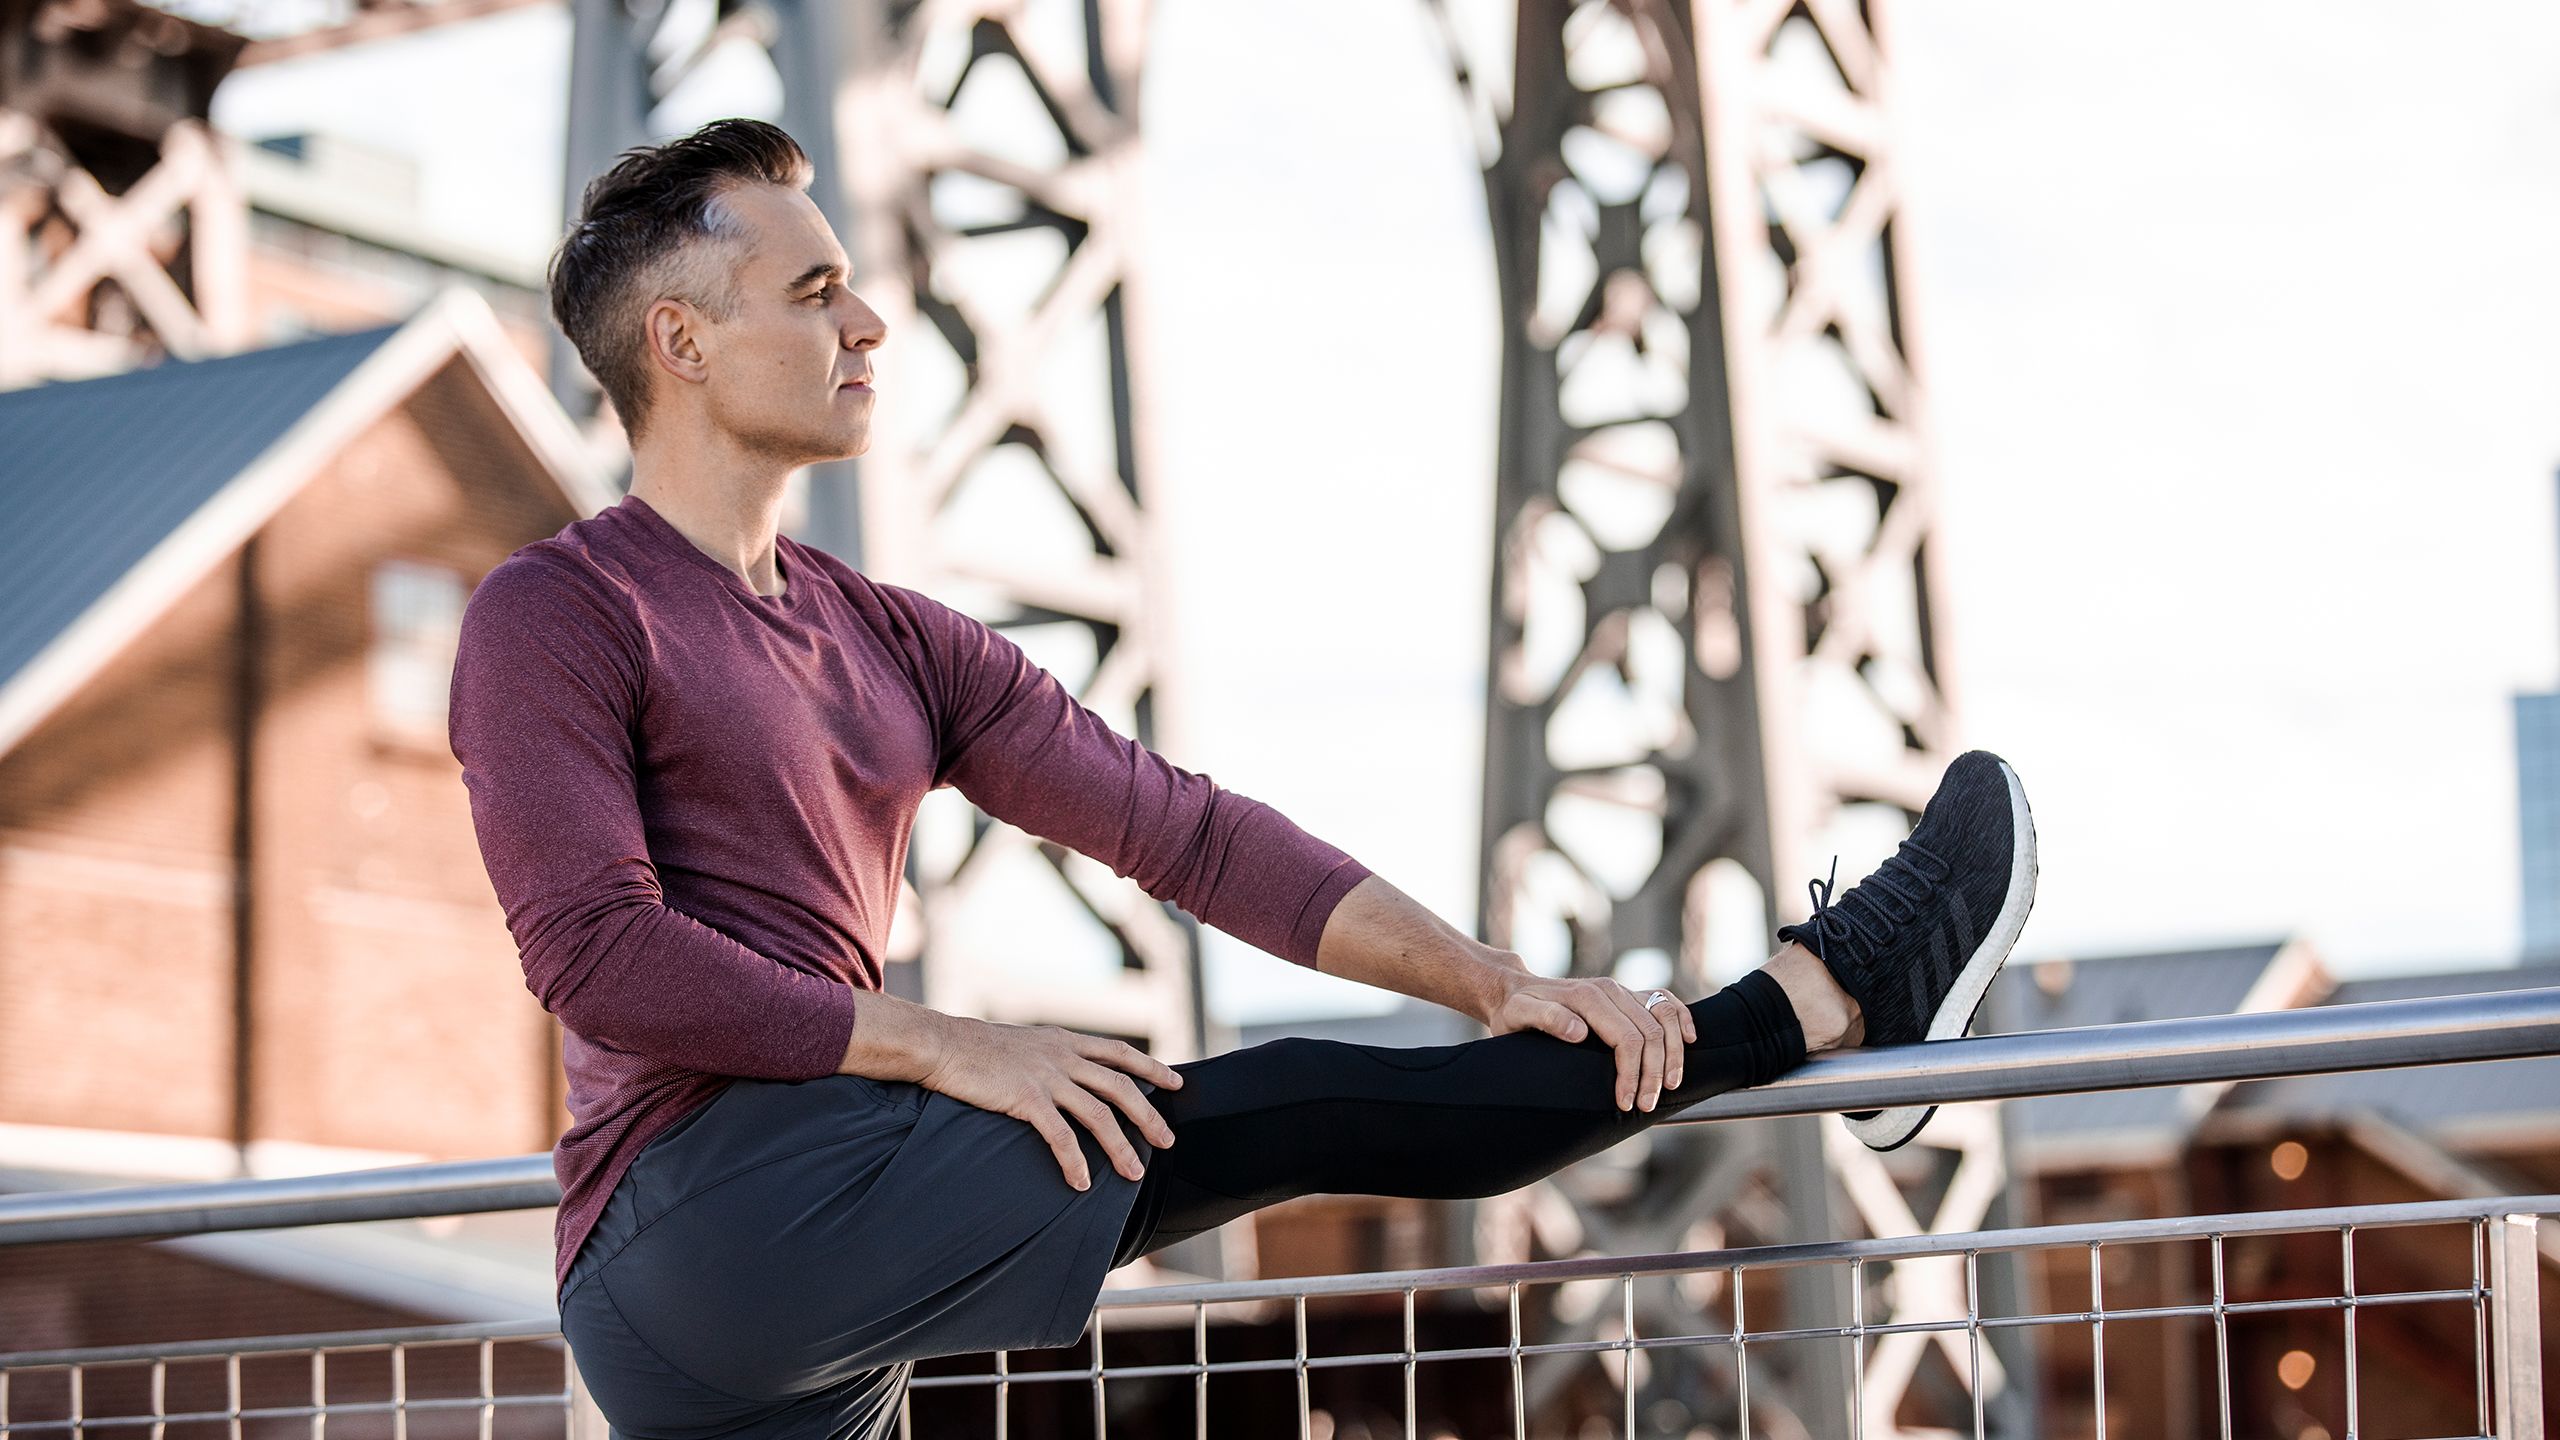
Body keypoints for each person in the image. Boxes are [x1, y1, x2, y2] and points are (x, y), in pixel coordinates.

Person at [448, 117, 2038, 1440]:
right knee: (1271, 1107)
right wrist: (951, 1050)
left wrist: (1484, 982)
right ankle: (1828, 997)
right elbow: (596, 952)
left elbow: (1189, 839)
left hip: (829, 1254)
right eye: (815, 293)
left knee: (1268, 1089)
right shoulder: (561, 613)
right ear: (682, 342)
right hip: (709, 1218)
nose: (869, 327)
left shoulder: (895, 640)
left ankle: (1816, 1005)